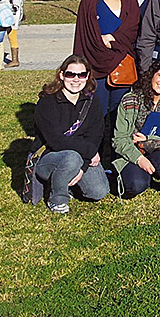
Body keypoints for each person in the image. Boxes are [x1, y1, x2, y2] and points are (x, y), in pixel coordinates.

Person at [31, 55, 110, 213]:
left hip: (82, 156)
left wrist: (84, 166)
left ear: (87, 76)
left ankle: (66, 182)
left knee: (99, 191)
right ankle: (57, 199)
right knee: (71, 158)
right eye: (70, 74)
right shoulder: (47, 102)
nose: (76, 79)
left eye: (81, 75)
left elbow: (95, 135)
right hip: (49, 156)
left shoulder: (91, 101)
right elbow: (55, 141)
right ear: (61, 75)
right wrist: (90, 152)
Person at [73, 0, 142, 116]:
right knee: (96, 111)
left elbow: (133, 29)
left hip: (122, 62)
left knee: (120, 113)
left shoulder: (130, 1)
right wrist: (79, 66)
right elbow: (82, 35)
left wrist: (113, 38)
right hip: (95, 62)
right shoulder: (88, 3)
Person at [112, 60, 160, 198]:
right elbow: (119, 139)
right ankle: (140, 175)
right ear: (152, 75)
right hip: (133, 151)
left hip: (159, 151)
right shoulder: (130, 100)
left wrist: (148, 139)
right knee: (135, 185)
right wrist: (139, 159)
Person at [3, 0, 27, 67]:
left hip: (13, 19)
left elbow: (15, 7)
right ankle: (14, 59)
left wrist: (11, 17)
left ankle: (15, 60)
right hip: (13, 19)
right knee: (11, 37)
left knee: (12, 38)